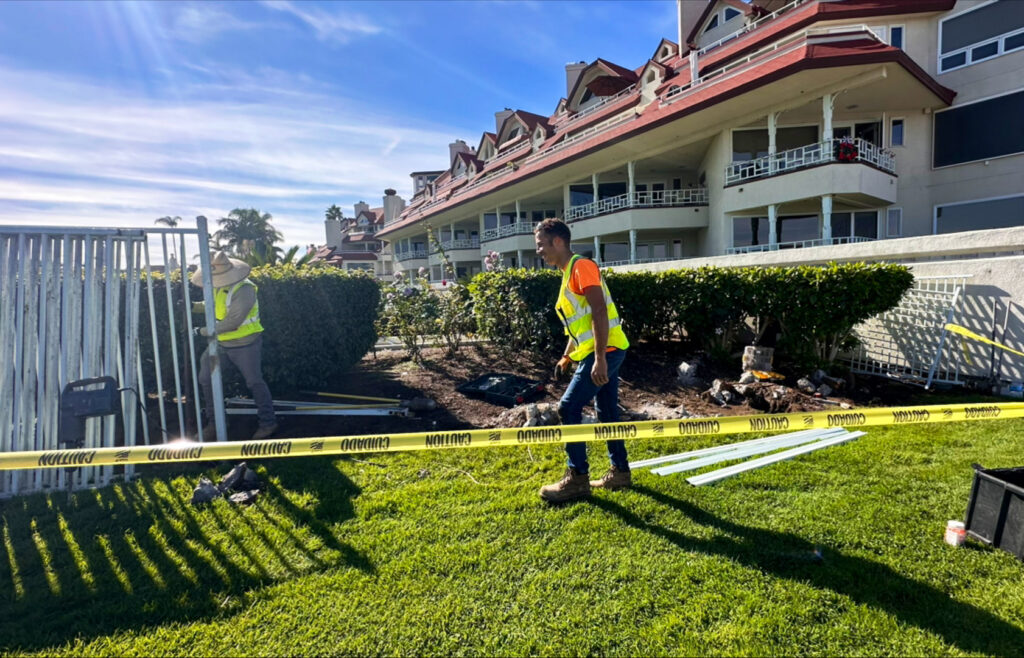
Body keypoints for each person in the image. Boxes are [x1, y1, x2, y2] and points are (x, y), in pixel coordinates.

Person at [534, 218, 631, 503]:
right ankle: (621, 472)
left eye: (541, 244)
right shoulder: (568, 273)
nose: (539, 251)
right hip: (602, 351)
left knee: (568, 407)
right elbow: (580, 324)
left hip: (605, 351)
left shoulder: (582, 267)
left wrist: (599, 358)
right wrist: (566, 357)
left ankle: (577, 478)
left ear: (558, 241)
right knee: (608, 411)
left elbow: (599, 311)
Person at [191, 251, 278, 441]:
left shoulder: (245, 289)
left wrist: (202, 331)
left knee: (254, 381)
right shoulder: (217, 286)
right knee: (206, 378)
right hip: (221, 344)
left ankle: (268, 423)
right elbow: (213, 304)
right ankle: (215, 423)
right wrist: (193, 306)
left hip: (245, 344)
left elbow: (233, 321)